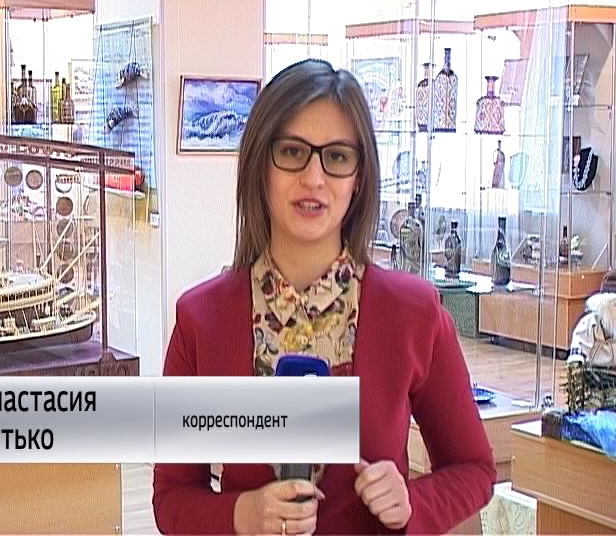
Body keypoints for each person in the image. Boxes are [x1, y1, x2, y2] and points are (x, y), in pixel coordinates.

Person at [153, 59, 496, 534]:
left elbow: (474, 469)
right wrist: (241, 515)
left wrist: (411, 503)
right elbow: (172, 497)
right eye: (292, 152)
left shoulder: (413, 313)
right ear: (260, 165)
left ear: (359, 178)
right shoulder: (202, 319)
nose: (314, 178)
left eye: (336, 157)